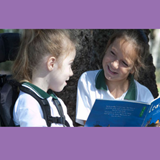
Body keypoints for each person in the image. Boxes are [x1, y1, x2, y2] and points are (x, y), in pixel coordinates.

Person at [75, 29, 154, 126]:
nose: (114, 64)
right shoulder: (87, 80)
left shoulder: (144, 96)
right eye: (112, 53)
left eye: (124, 63)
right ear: (108, 46)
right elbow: (87, 125)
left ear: (134, 68)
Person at [12, 29, 76, 127]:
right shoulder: (28, 104)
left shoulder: (57, 102)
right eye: (69, 64)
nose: (71, 73)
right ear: (52, 64)